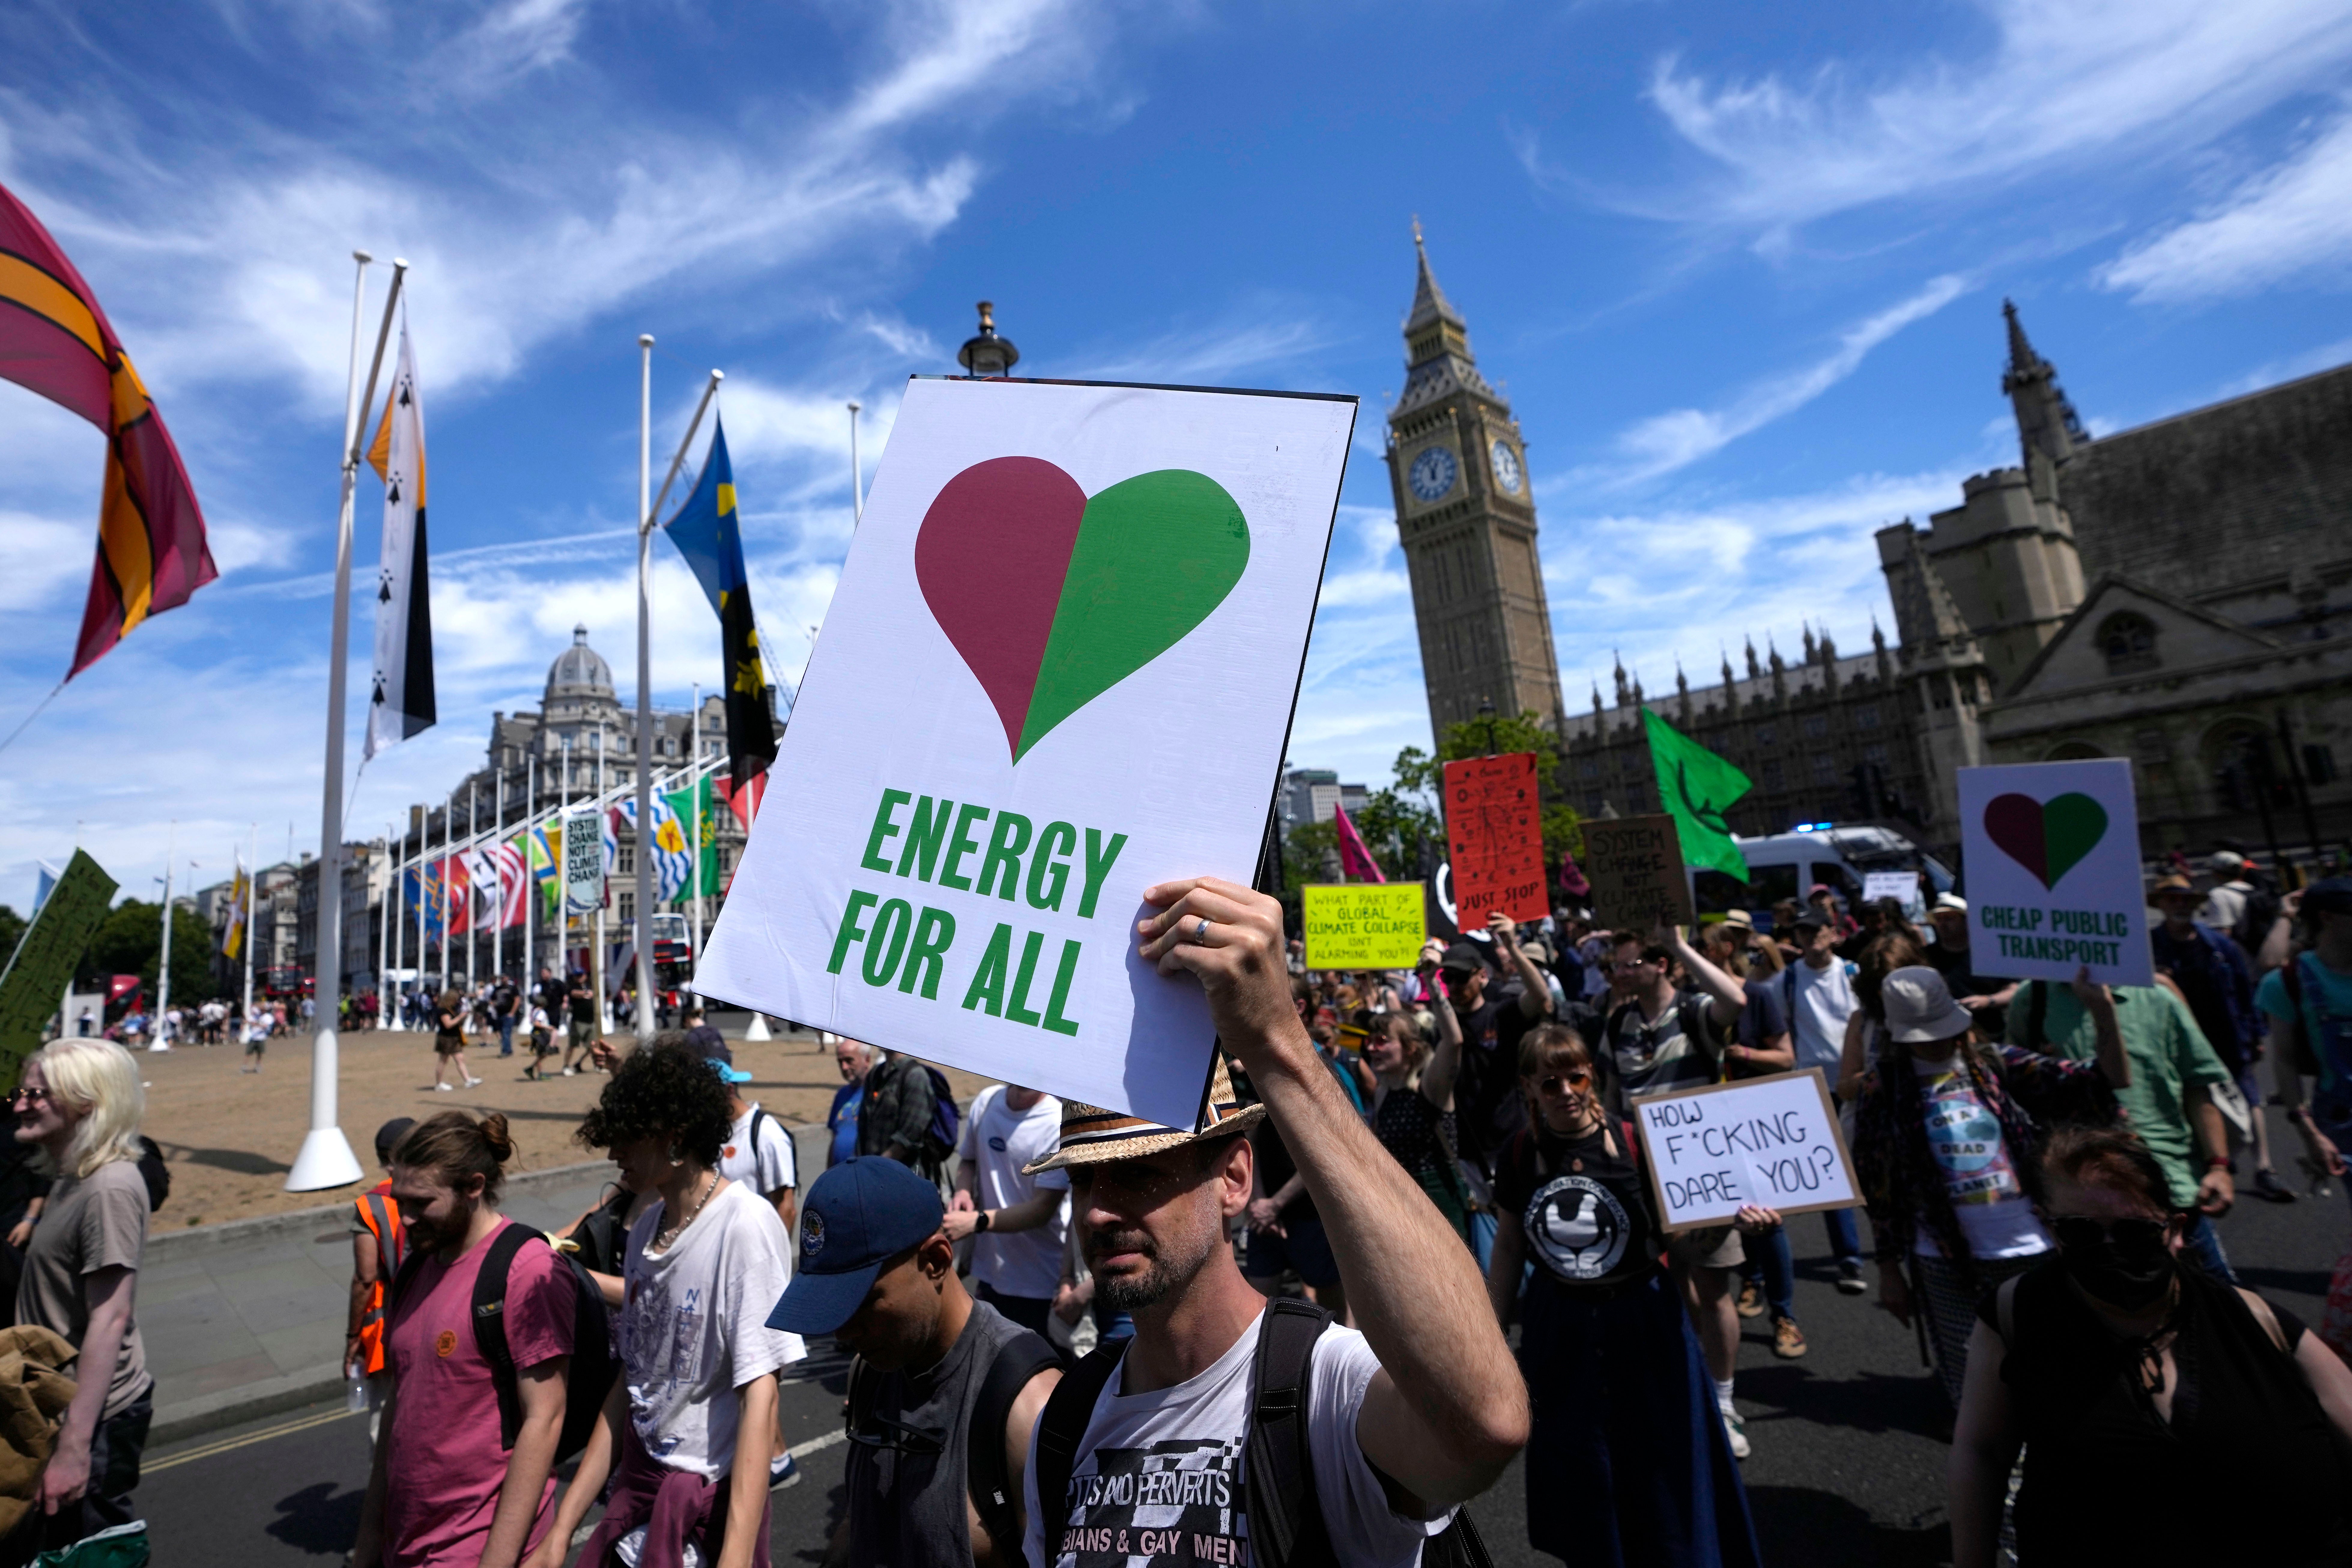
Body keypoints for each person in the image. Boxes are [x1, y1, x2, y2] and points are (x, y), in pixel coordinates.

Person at [1019, 875, 1527, 1568]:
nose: (1101, 1209)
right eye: (1083, 1180)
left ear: (1233, 1179)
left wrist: (1276, 1036)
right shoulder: (1067, 1419)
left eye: (1141, 1173)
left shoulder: (1326, 1386)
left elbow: (1486, 1424)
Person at [1948, 1125, 2352, 1566]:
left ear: (2174, 1228)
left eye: (2134, 1232)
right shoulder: (2015, 1315)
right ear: (2050, 1227)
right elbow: (1981, 1451)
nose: (2108, 1247)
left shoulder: (2254, 1319)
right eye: (2080, 1231)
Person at [1488, 1022, 1765, 1566]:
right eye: (1549, 1083)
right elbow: (1506, 1249)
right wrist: (1491, 1336)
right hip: (1559, 1328)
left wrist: (1732, 1227)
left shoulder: (1637, 1141)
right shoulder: (1520, 1151)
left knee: (1662, 1461)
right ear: (1528, 1087)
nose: (1565, 1091)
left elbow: (1681, 1244)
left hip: (1643, 1320)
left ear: (1592, 1075)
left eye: (1575, 1076)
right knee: (1580, 1465)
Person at [532, 1044, 804, 1568]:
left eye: (628, 1138)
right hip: (635, 1506)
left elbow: (760, 1396)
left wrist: (736, 1556)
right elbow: (629, 1387)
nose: (614, 1152)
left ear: (676, 1138)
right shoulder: (643, 1236)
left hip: (702, 1523)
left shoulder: (743, 1225)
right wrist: (561, 1529)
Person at [1851, 967, 2126, 1409]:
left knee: (2055, 1370)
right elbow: (1877, 1184)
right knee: (1976, 1386)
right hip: (1943, 1259)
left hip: (2030, 1247)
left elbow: (2104, 1080)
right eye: (1923, 1035)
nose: (1936, 1042)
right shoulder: (1882, 1087)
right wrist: (1888, 1271)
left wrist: (2103, 1011)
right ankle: (2002, 1472)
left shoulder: (1996, 1063)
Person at [772, 1157, 1061, 1568]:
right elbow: (862, 1519)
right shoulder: (873, 1368)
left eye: (863, 1302)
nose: (843, 1332)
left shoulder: (1027, 1408)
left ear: (937, 1261)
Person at [353, 1112, 576, 1568]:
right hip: (408, 1542)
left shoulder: (527, 1270)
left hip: (475, 1547)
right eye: (400, 1202)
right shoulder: (418, 1264)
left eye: (421, 1202)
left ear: (474, 1186)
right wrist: (370, 1539)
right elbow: (401, 1407)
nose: (406, 1219)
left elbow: (545, 1419)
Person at [1594, 926, 1760, 1455]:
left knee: (1713, 1290)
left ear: (1659, 965)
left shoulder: (1694, 1011)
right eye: (1616, 965)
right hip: (1643, 1178)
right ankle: (1692, 1386)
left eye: (1628, 963)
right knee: (1671, 1285)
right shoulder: (1618, 1020)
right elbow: (1609, 1096)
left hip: (1703, 1172)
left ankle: (1725, 1399)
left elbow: (1736, 998)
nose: (1619, 973)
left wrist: (1681, 944)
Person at [8, 1040, 152, 1550]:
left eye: (37, 1093)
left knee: (86, 1554)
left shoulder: (108, 1187)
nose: (20, 1103)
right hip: (53, 1403)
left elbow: (110, 1317)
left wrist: (74, 1448)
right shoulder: (72, 1177)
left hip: (93, 1417)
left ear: (87, 1102)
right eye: (20, 1091)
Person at [2007, 968, 2239, 1279]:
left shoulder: (2158, 997)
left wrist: (2219, 1166)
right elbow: (2018, 1082)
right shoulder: (2032, 997)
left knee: (2215, 1300)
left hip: (2168, 1180)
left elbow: (2197, 1085)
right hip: (2078, 1198)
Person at [2151, 872, 2292, 1202]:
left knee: (2248, 1096)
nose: (2180, 905)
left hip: (2227, 1033)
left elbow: (2244, 989)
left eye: (2186, 899)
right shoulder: (2150, 947)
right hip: (2178, 1040)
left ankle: (2264, 1168)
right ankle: (2214, 1163)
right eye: (2172, 899)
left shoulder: (2219, 945)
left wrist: (2256, 1032)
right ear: (2160, 905)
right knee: (2194, 1097)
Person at [1779, 910, 1872, 1297]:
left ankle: (1893, 1241)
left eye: (1817, 930)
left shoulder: (1852, 972)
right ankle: (1849, 1255)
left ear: (1833, 934)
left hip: (1859, 1081)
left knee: (1870, 1164)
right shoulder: (1788, 978)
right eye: (1803, 931)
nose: (1811, 938)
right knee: (1831, 1171)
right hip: (1813, 1085)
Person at [944, 1083, 1071, 1337]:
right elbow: (968, 1159)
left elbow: (1041, 1209)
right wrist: (963, 1191)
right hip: (989, 1271)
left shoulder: (1056, 1122)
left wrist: (976, 1221)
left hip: (1038, 1280)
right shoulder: (987, 1100)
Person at [2259, 875, 2352, 1211]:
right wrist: (2308, 1129)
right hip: (2344, 1114)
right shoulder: (2288, 980)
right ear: (2327, 917)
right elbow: (2284, 1061)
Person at [1360, 1007, 1472, 1243]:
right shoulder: (1383, 1093)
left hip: (1439, 1197)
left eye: (1381, 1041)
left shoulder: (1430, 1088)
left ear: (1410, 1048)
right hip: (1399, 1197)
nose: (1371, 1048)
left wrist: (1432, 982)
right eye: (1369, 1041)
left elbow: (1454, 1042)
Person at [346, 1116, 416, 1440]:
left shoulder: (372, 1205)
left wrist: (352, 1336)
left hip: (391, 1330)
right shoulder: (449, 1191)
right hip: (442, 1321)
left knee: (387, 1423)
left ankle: (386, 1490)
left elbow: (365, 1278)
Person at [1925, 894, 2014, 1039]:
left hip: (1988, 1033)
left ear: (1967, 922)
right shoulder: (1926, 956)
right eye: (1939, 920)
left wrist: (1988, 1001)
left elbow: (2014, 990)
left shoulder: (1990, 954)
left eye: (1949, 919)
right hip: (1942, 1035)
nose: (1943, 925)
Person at [857, 1048, 942, 1174]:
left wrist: (875, 1169)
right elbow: (863, 1127)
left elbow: (909, 1138)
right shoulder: (875, 1074)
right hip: (871, 1174)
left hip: (903, 1176)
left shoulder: (916, 1076)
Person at [829, 1038, 872, 1169]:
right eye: (840, 1062)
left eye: (849, 1060)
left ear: (867, 1060)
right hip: (841, 1176)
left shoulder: (878, 1093)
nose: (844, 1067)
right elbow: (835, 1138)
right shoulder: (842, 1095)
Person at [433, 990, 482, 1093]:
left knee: (460, 1059)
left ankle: (468, 1080)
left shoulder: (452, 1010)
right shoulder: (443, 1011)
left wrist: (464, 1017)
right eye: (455, 1000)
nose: (457, 1002)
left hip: (455, 1038)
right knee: (443, 1061)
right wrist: (460, 1017)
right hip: (446, 1038)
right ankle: (439, 1084)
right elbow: (448, 1025)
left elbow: (456, 1023)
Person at [492, 974, 519, 1058]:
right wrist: (494, 1005)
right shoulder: (498, 989)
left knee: (506, 1032)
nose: (504, 980)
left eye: (505, 978)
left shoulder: (513, 988)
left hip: (508, 1014)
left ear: (508, 978)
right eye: (502, 979)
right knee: (502, 1033)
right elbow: (492, 999)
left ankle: (506, 1051)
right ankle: (508, 1049)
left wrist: (512, 1013)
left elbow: (517, 1000)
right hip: (499, 1014)